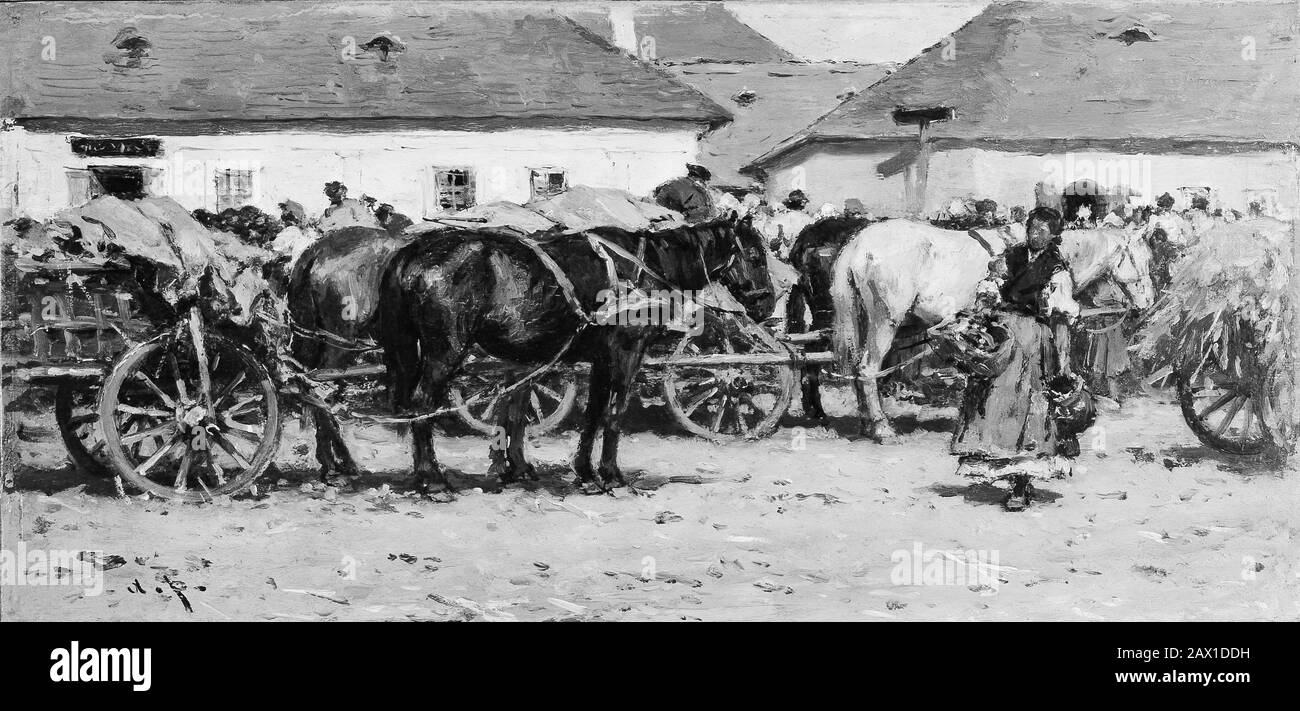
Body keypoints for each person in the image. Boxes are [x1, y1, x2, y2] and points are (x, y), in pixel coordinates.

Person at [951, 206, 1080, 511]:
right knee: (991, 400)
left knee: (1028, 407)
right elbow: (991, 286)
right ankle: (994, 464)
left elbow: (1060, 315)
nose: (1035, 234)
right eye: (1031, 228)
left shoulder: (1056, 268)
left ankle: (1021, 483)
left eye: (1042, 231)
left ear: (1053, 236)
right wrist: (985, 302)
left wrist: (1062, 360)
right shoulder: (1011, 256)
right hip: (1001, 335)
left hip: (1033, 339)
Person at [652, 164, 718, 223]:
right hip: (678, 219)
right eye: (703, 181)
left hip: (661, 211)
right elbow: (710, 213)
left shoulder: (673, 181)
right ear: (698, 179)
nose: (704, 184)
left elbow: (656, 194)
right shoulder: (699, 191)